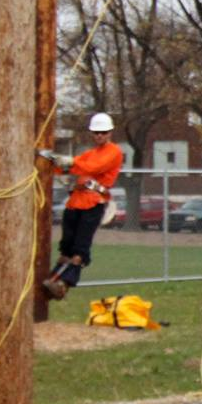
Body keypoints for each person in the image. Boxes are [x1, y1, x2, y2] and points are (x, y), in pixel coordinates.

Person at [37, 112, 123, 301]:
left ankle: (64, 282)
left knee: (80, 248)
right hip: (76, 202)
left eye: (103, 132)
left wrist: (70, 162)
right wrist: (53, 161)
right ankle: (54, 279)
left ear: (110, 133)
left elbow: (92, 168)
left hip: (93, 203)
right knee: (66, 246)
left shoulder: (113, 152)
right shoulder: (89, 154)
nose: (99, 136)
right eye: (96, 132)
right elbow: (71, 167)